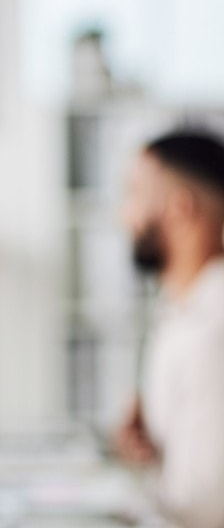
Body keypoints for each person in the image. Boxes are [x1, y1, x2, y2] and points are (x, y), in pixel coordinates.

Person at [115, 129, 224, 528]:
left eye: (134, 194)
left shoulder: (213, 327)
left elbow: (206, 506)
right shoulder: (181, 308)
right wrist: (150, 446)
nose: (123, 216)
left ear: (180, 209)